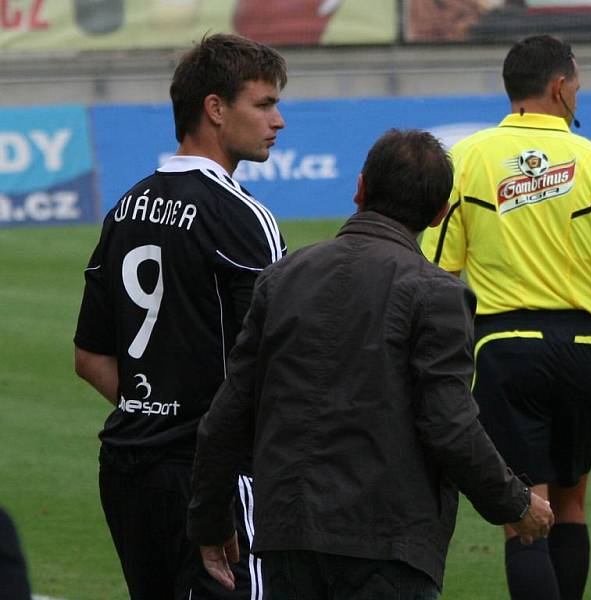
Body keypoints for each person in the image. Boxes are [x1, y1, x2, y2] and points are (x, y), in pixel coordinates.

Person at [186, 129, 555, 599]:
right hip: (388, 543)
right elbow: (449, 426)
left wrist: (210, 522)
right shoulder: (439, 294)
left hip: (290, 536)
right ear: (441, 213)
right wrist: (516, 503)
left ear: (359, 188)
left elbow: (226, 417)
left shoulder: (283, 277)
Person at [420, 35, 591, 600]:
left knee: (524, 512)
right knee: (571, 502)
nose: (579, 95)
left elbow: (437, 274)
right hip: (587, 348)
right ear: (559, 87)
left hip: (507, 348)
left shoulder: (468, 159)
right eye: (577, 84)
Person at [73, 33, 287, 600]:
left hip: (126, 465)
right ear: (215, 109)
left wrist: (152, 411)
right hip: (210, 473)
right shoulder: (243, 219)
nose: (279, 120)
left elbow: (89, 357)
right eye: (264, 104)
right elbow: (277, 362)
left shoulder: (126, 208)